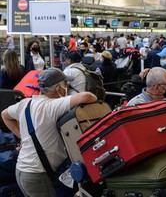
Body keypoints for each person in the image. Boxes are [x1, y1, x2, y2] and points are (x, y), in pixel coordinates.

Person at [1, 67, 97, 196]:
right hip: (37, 176)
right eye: (65, 84)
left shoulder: (25, 103)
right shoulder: (52, 106)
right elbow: (89, 96)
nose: (66, 87)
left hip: (22, 171)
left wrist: (22, 136)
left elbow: (4, 114)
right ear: (58, 88)